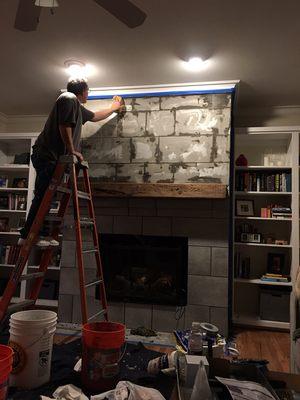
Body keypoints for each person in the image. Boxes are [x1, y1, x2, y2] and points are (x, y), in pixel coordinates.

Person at [18, 78, 123, 247]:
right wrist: (72, 149)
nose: (88, 94)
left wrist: (114, 107)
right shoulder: (68, 98)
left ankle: (39, 233)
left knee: (47, 195)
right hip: (47, 155)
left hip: (54, 158)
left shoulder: (77, 108)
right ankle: (28, 235)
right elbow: (64, 125)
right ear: (82, 91)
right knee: (43, 195)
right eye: (88, 91)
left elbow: (95, 116)